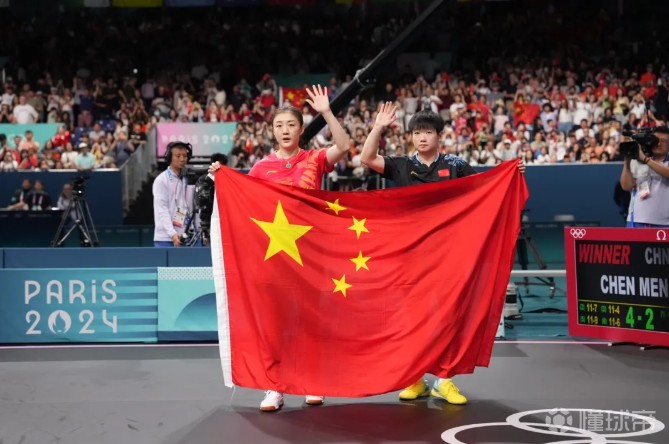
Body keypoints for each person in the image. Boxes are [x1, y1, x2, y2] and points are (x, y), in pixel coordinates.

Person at [360, 103, 525, 405]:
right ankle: (415, 379)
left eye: (428, 132)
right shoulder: (402, 165)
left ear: (439, 136)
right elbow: (367, 158)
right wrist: (379, 126)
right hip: (411, 254)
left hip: (450, 254)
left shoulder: (456, 165)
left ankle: (444, 380)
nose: (422, 138)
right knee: (412, 318)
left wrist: (510, 173)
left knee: (449, 315)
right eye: (417, 133)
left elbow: (485, 189)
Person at [209, 85, 351, 412]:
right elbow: (244, 203)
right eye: (279, 125)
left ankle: (313, 382)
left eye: (291, 125)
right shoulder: (260, 168)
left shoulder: (314, 159)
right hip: (274, 257)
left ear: (301, 129)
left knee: (310, 321)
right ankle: (274, 387)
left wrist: (326, 112)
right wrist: (223, 178)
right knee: (275, 324)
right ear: (272, 131)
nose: (285, 130)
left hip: (311, 255)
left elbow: (343, 146)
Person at [619, 127, 669, 227]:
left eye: (663, 141)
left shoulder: (645, 159)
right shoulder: (637, 161)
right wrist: (627, 163)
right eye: (656, 140)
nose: (659, 143)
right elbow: (626, 186)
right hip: (636, 219)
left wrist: (646, 160)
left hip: (664, 222)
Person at [152, 141, 197, 247]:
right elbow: (162, 210)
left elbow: (192, 207)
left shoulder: (188, 178)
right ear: (169, 157)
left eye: (184, 156)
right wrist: (172, 234)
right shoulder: (161, 180)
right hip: (166, 238)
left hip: (187, 236)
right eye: (178, 156)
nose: (182, 159)